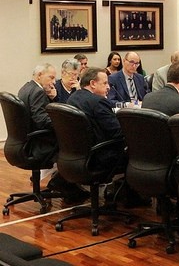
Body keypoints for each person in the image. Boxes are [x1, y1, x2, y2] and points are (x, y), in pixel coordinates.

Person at [68, 67, 149, 208]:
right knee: (138, 149)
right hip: (100, 157)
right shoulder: (98, 102)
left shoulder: (73, 98)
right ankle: (131, 197)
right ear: (93, 83)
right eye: (105, 83)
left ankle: (118, 192)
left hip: (77, 156)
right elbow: (117, 132)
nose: (108, 87)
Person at [19, 63, 89, 204]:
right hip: (39, 143)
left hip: (26, 142)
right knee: (73, 146)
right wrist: (63, 124)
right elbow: (41, 120)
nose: (53, 82)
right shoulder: (38, 92)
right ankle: (62, 181)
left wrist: (53, 99)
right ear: (39, 76)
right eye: (50, 78)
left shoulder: (26, 88)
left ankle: (65, 182)